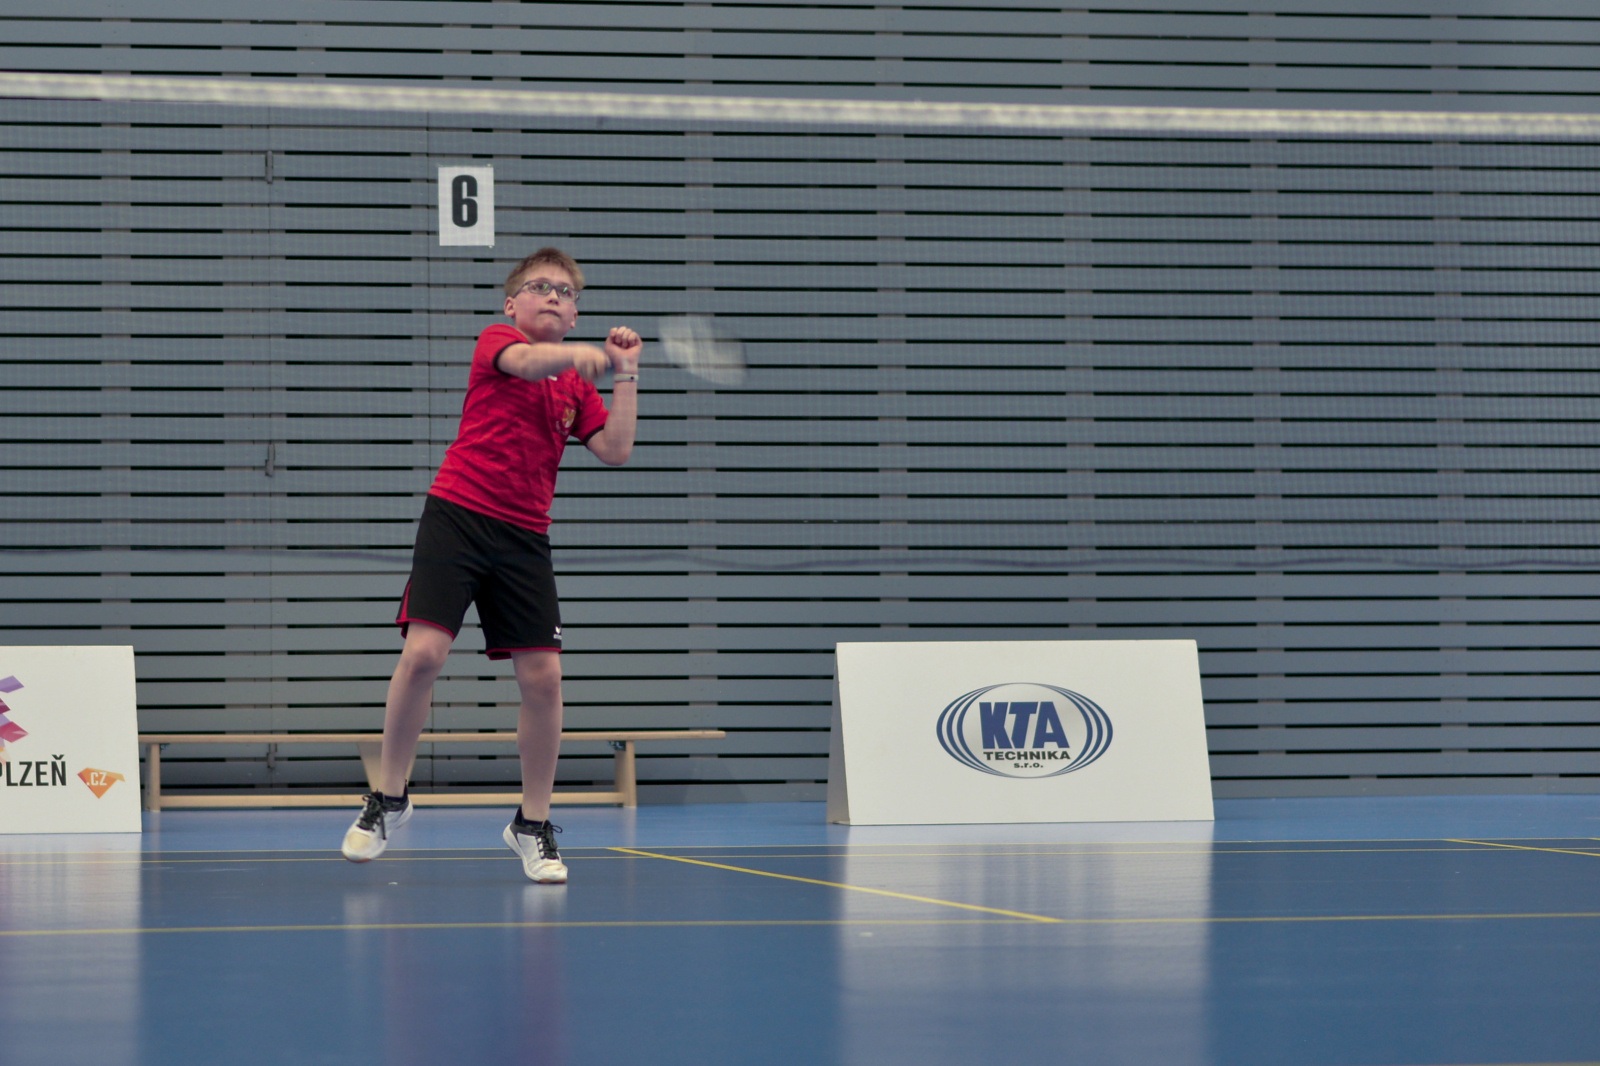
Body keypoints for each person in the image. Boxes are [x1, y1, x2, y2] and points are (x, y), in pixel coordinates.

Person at [341, 247, 639, 882]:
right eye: (540, 287)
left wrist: (625, 374)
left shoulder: (578, 386)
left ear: (575, 313)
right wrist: (582, 353)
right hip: (457, 516)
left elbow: (615, 449)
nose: (554, 296)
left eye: (566, 292)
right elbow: (529, 363)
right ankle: (389, 797)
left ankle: (532, 824)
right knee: (424, 654)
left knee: (545, 680)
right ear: (512, 304)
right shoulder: (499, 342)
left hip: (525, 537)